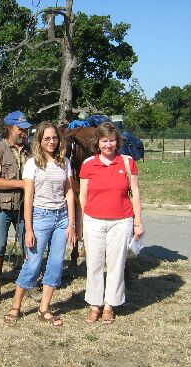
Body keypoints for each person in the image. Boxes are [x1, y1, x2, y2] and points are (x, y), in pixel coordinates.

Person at [3, 121, 76, 325]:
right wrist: (28, 229)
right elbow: (28, 197)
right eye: (47, 138)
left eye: (54, 138)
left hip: (61, 218)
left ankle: (44, 309)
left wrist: (71, 224)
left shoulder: (65, 162)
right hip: (41, 217)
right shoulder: (32, 164)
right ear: (40, 141)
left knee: (55, 264)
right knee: (33, 263)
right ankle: (16, 307)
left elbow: (69, 193)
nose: (51, 142)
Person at [79, 122, 144, 324]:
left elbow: (135, 194)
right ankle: (94, 304)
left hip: (121, 220)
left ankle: (109, 305)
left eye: (112, 140)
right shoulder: (88, 164)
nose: (108, 144)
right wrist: (82, 223)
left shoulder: (127, 162)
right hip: (94, 220)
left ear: (118, 141)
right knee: (95, 263)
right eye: (104, 140)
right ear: (97, 142)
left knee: (116, 264)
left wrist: (138, 222)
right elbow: (83, 195)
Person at [0, 110, 32, 308]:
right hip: (2, 208)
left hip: (25, 208)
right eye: (20, 129)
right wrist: (22, 184)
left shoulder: (31, 151)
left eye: (26, 129)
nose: (24, 132)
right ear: (9, 128)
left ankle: (29, 284)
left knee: (29, 245)